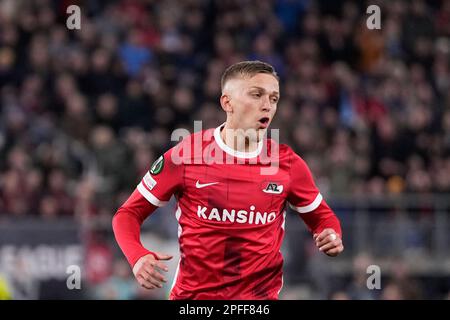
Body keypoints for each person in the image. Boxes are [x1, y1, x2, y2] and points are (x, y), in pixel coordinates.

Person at [112, 60, 344, 300]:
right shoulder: (186, 155)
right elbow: (127, 214)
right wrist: (137, 255)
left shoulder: (288, 164)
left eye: (274, 98)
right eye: (257, 95)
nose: (267, 106)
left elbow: (323, 218)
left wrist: (332, 235)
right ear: (227, 102)